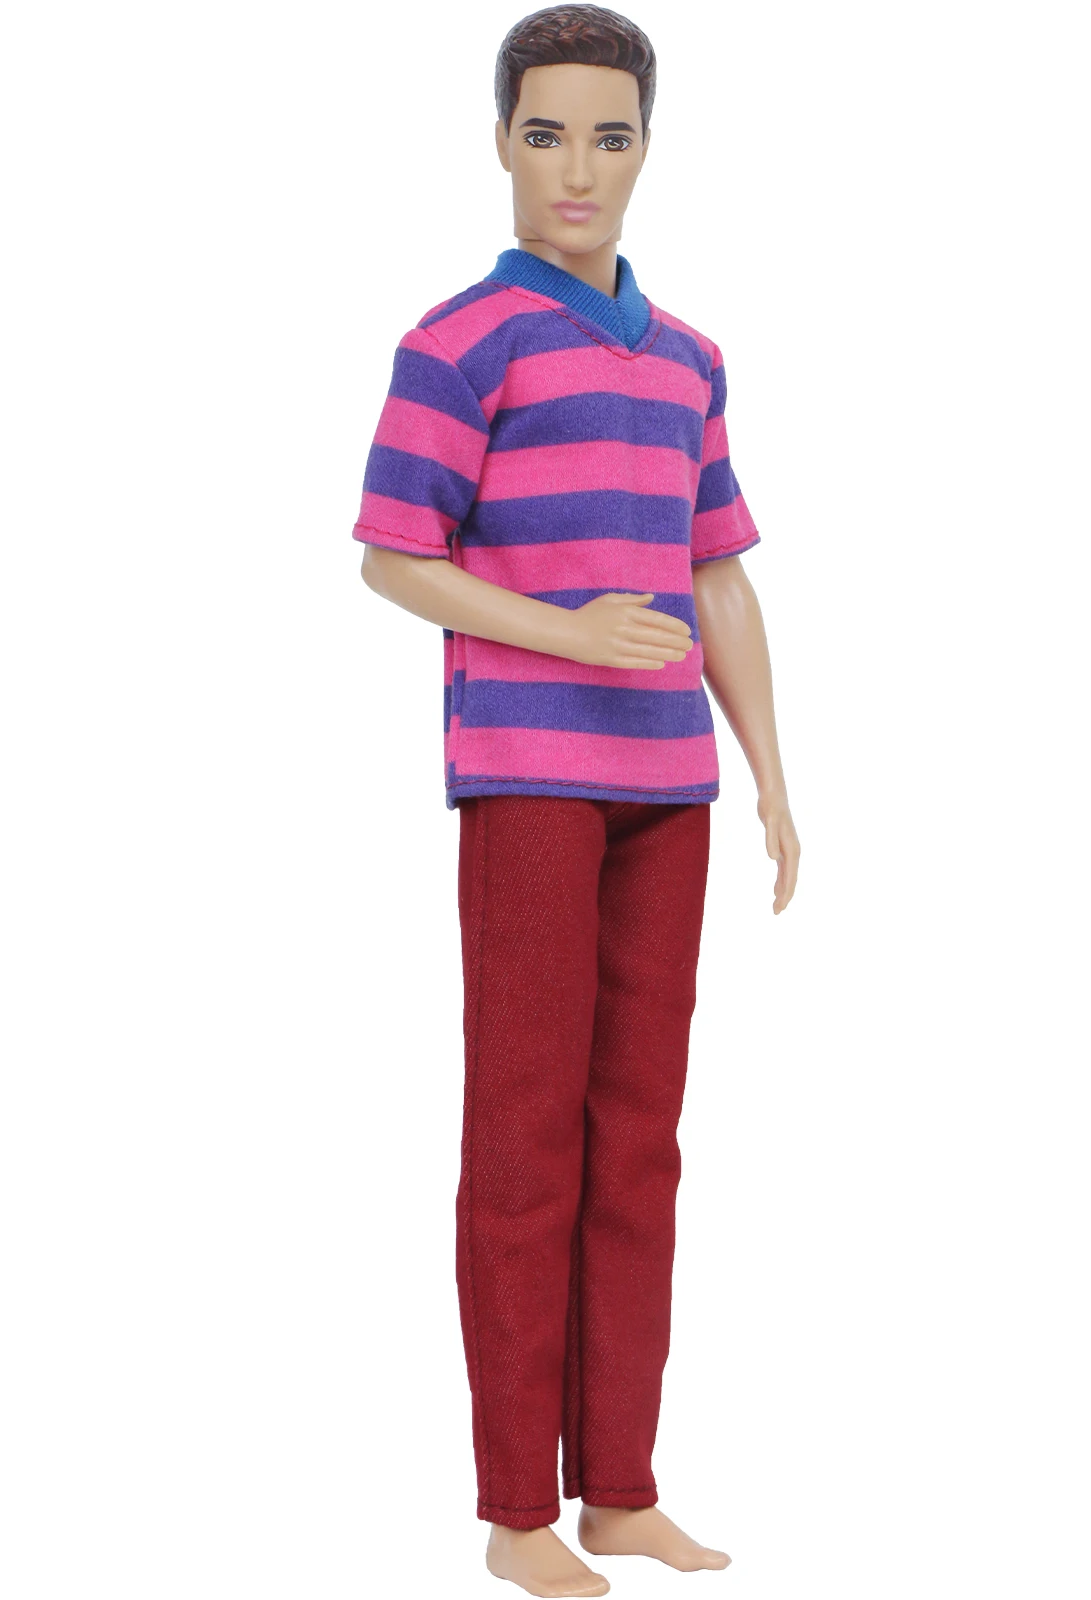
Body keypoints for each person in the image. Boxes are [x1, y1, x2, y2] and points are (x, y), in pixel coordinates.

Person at [352, 7, 799, 1593]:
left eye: (610, 136)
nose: (578, 169)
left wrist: (773, 771)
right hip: (531, 775)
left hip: (669, 786)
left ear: (647, 150)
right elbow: (393, 555)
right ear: (501, 142)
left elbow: (717, 571)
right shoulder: (459, 343)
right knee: (527, 1137)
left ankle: (618, 1487)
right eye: (546, 133)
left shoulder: (688, 360)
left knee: (640, 1143)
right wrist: (567, 630)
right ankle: (515, 1512)